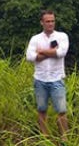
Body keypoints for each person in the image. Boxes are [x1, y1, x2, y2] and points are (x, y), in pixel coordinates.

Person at [26, 10, 69, 139]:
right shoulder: (36, 38)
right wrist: (51, 52)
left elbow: (61, 53)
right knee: (41, 109)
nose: (50, 24)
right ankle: (44, 137)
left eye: (52, 21)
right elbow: (29, 57)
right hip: (40, 78)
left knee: (61, 110)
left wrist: (41, 52)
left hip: (57, 78)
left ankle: (65, 139)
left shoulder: (62, 36)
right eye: (48, 21)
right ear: (42, 23)